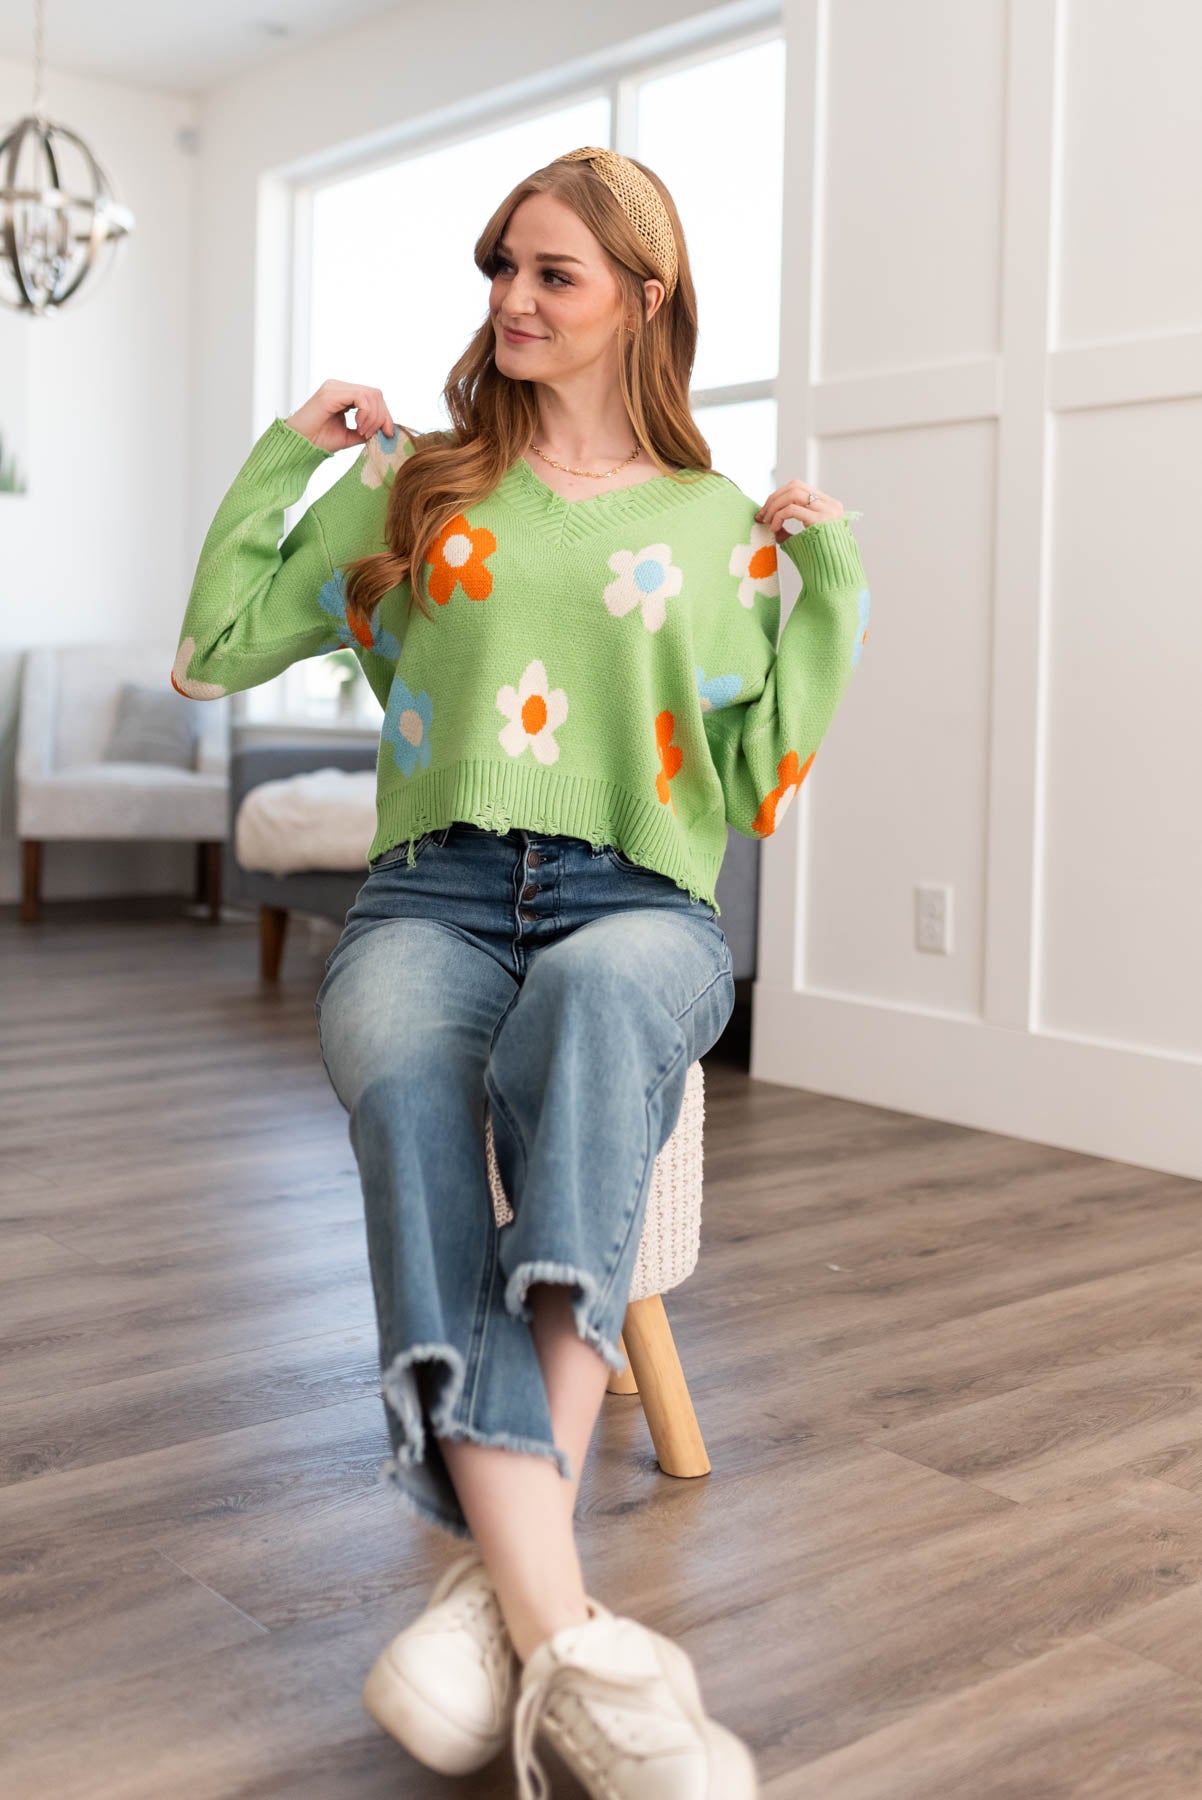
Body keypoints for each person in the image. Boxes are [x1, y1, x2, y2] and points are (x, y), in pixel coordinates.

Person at [172, 145, 870, 1800]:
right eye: (500, 267)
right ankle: (565, 1635)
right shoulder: (417, 487)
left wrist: (828, 583)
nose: (511, 300)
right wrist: (284, 458)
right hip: (427, 895)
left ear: (644, 296)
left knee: (602, 1001)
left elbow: (763, 771)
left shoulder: (721, 527)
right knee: (405, 1073)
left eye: (553, 272)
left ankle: (509, 1608)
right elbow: (209, 654)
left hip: (639, 900)